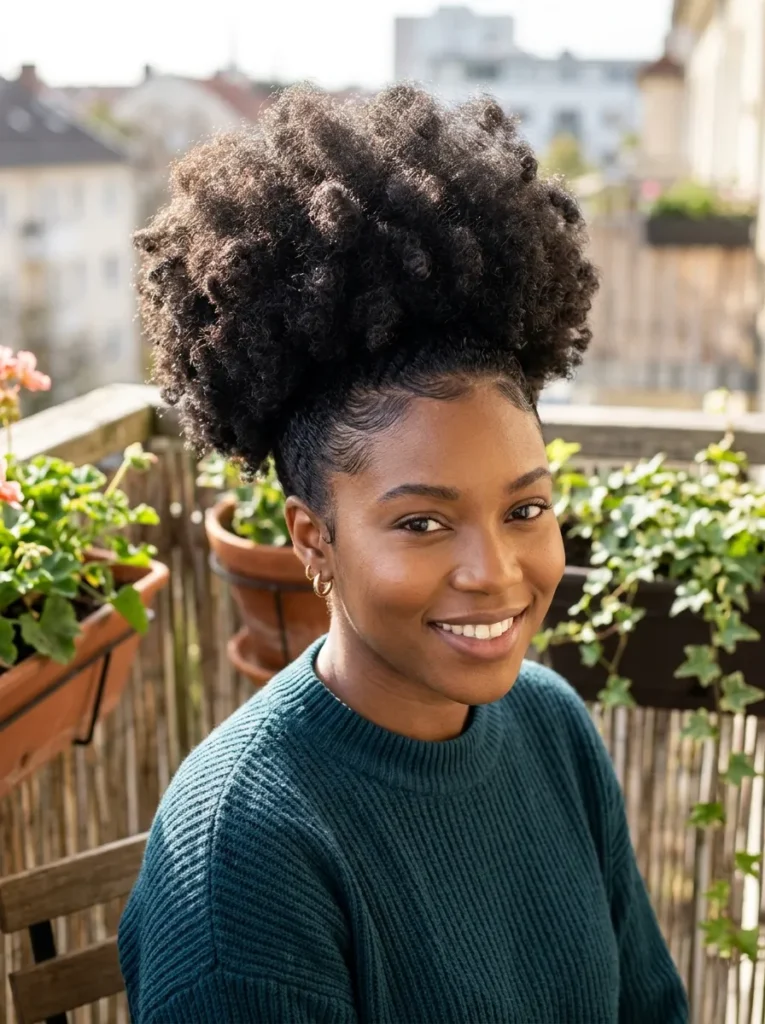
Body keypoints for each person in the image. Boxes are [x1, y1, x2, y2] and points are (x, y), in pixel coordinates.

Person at [118, 85, 689, 1023]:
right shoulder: (246, 859)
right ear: (315, 540)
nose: (495, 572)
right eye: (421, 523)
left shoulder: (552, 729)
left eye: (525, 508)